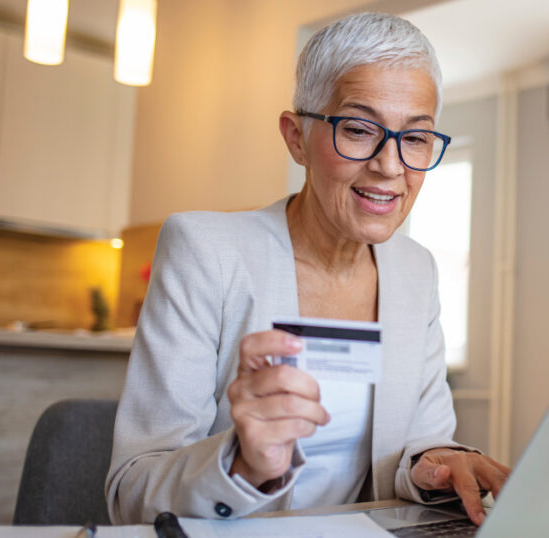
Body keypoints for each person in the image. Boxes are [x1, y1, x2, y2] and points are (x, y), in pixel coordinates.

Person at [105, 12, 510, 526]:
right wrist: (241, 463)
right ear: (296, 138)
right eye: (360, 129)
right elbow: (130, 489)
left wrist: (437, 464)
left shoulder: (415, 272)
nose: (389, 166)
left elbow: (416, 447)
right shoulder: (206, 252)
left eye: (415, 138)